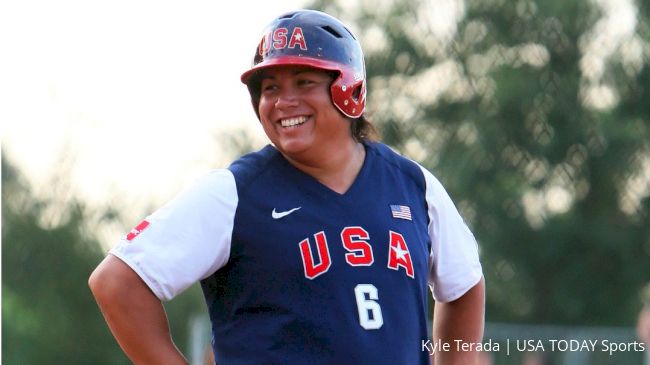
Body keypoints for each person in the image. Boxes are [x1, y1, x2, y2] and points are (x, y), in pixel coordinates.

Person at [89, 9, 485, 365]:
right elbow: (118, 282)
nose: (283, 101)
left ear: (348, 89)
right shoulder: (234, 193)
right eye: (270, 88)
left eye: (304, 81)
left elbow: (464, 283)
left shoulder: (412, 185)